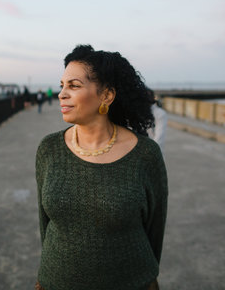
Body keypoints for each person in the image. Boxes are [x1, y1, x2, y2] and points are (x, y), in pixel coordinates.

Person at [35, 45, 168, 290]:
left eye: (73, 86)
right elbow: (46, 225)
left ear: (106, 95)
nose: (62, 94)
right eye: (62, 85)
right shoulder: (49, 149)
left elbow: (155, 230)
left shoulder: (145, 155)